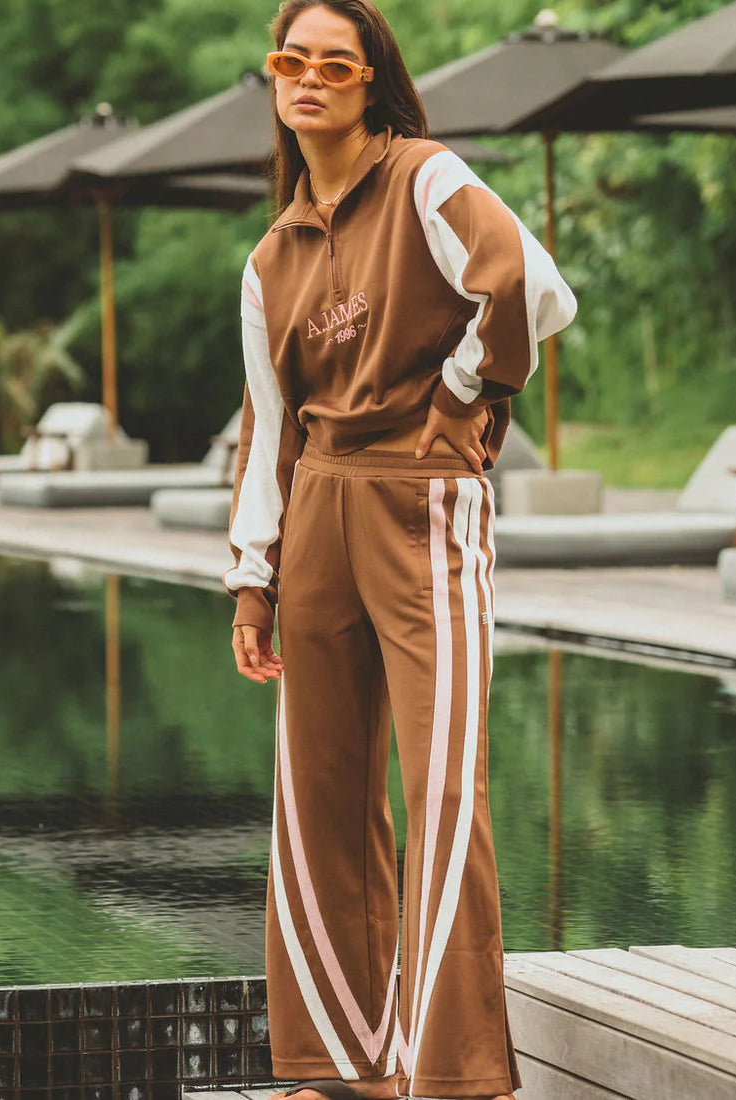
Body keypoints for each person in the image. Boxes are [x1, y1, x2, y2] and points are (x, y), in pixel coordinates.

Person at [224, 3, 576, 1098]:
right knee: (317, 796)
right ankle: (335, 1065)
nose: (311, 78)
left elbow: (526, 282)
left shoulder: (424, 176)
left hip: (422, 500)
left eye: (337, 62)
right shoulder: (269, 254)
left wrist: (466, 391)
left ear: (371, 82)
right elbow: (267, 426)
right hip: (317, 507)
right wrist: (252, 576)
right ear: (274, 81)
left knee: (441, 788)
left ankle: (454, 1072)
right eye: (293, 60)